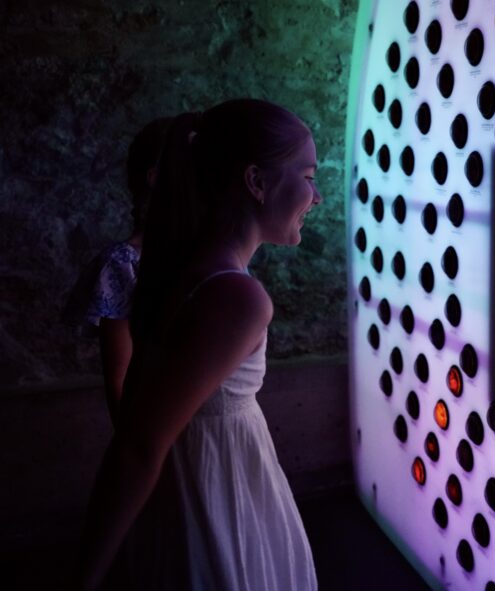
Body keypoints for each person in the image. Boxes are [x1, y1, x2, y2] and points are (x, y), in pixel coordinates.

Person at [75, 99, 321, 590]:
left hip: (191, 494)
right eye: (308, 176)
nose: (315, 197)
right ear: (256, 181)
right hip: (215, 507)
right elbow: (140, 445)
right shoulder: (238, 297)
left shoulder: (180, 269)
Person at [63, 118, 172, 425]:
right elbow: (119, 381)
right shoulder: (122, 264)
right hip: (155, 427)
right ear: (155, 178)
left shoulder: (207, 255)